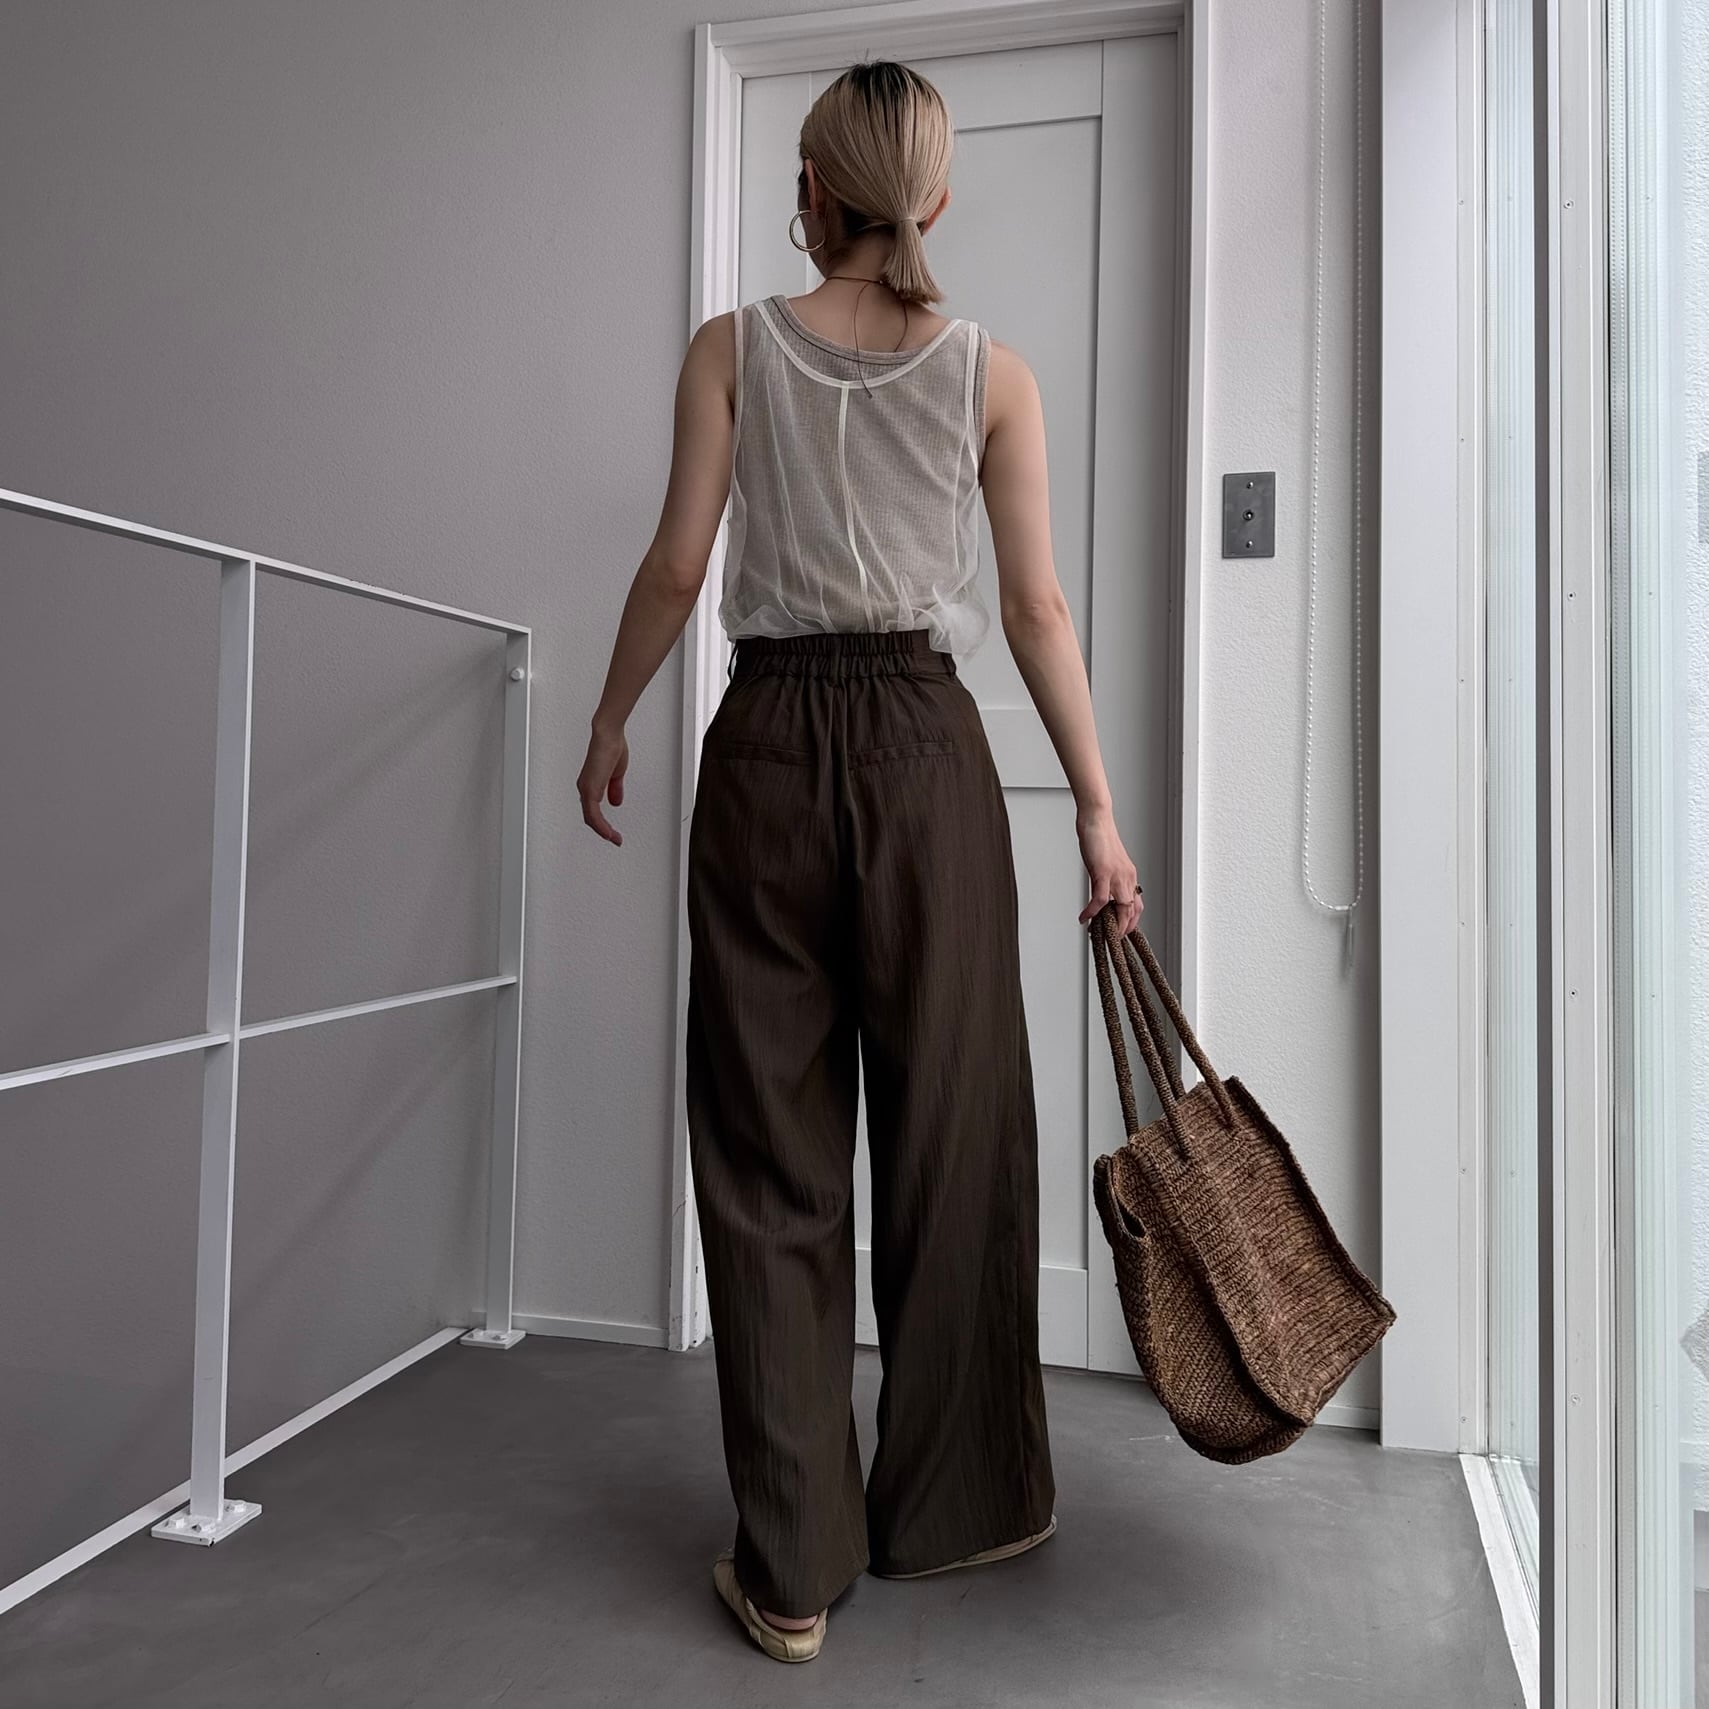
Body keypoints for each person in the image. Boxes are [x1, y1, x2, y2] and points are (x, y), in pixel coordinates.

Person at [577, 58, 1143, 1664]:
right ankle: (955, 1504)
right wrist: (1096, 809)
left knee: (771, 1150)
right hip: (924, 753)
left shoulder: (728, 349)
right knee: (953, 1125)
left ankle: (791, 1565)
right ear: (936, 197)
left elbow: (678, 563)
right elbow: (1033, 610)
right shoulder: (991, 374)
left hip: (764, 742)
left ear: (811, 189)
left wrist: (611, 718)